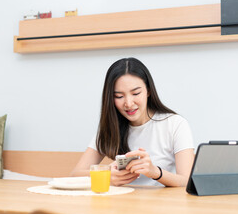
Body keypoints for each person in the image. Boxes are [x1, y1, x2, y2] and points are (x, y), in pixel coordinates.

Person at [71, 58, 194, 187]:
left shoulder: (175, 124)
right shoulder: (111, 127)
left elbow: (187, 181)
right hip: (121, 204)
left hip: (160, 204)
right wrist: (106, 175)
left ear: (148, 91)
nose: (129, 104)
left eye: (136, 93)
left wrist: (155, 172)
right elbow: (75, 175)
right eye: (119, 96)